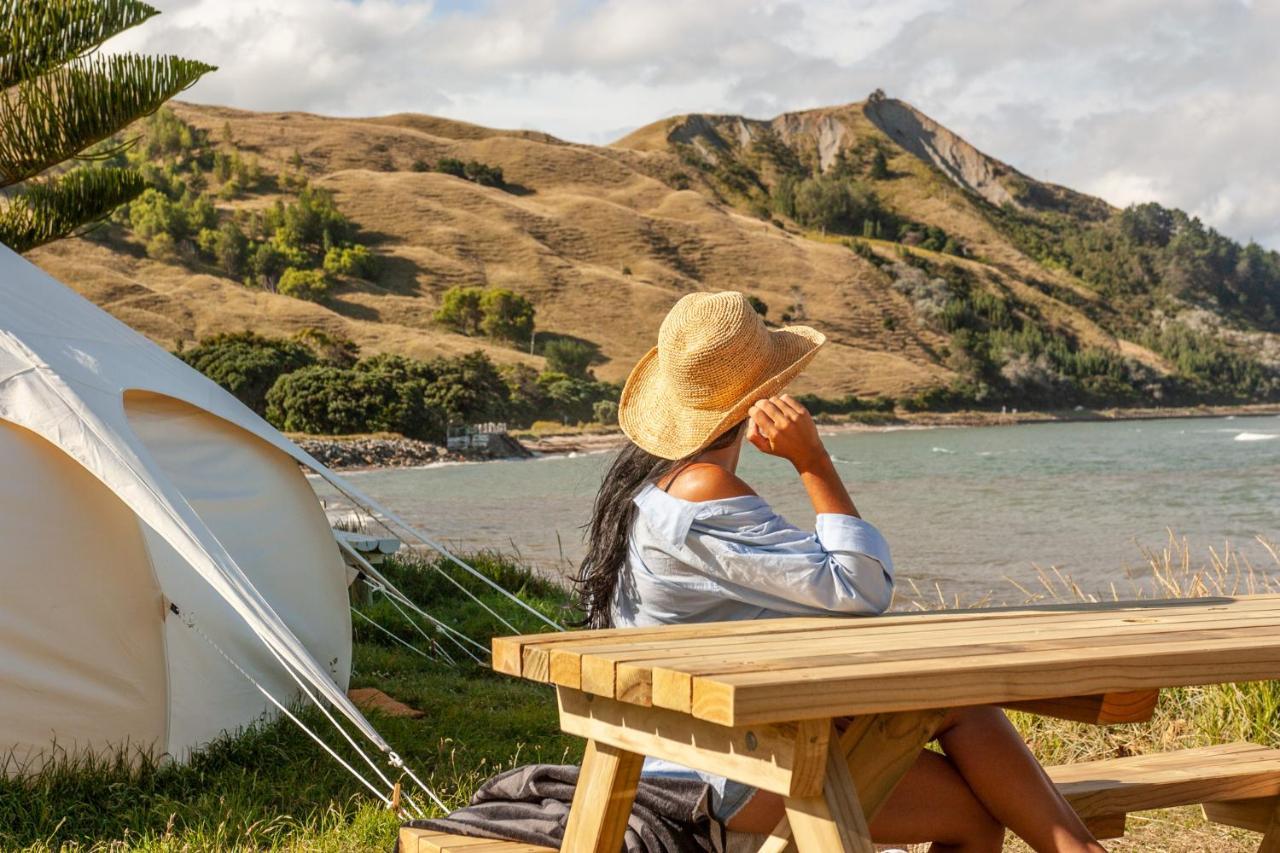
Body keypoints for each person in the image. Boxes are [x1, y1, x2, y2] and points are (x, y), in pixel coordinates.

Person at [575, 291, 1106, 853]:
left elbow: (812, 590)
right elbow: (859, 586)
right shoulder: (702, 491)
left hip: (722, 736)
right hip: (716, 770)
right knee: (973, 815)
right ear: (762, 397)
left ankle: (1075, 850)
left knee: (962, 703)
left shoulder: (658, 489)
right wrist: (812, 461)